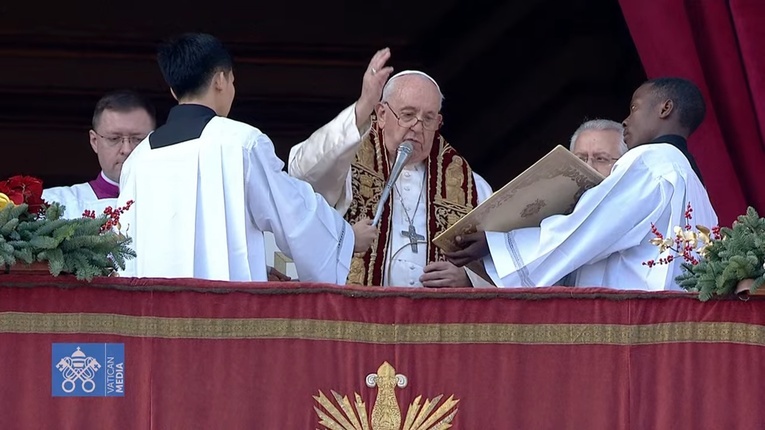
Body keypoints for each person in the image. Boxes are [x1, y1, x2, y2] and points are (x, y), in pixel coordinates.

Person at [116, 33, 377, 282]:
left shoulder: (138, 160)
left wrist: (256, 268)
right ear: (220, 80)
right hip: (221, 314)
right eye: (232, 80)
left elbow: (128, 251)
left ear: (174, 91)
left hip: (153, 317)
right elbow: (292, 212)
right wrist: (347, 237)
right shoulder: (241, 143)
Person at [445, 77, 717, 291]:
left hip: (632, 324)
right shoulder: (693, 181)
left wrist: (498, 245)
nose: (626, 119)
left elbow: (588, 229)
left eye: (634, 108)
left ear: (665, 108)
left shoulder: (649, 162)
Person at [288, 48, 493, 287]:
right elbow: (301, 173)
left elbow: (500, 260)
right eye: (408, 114)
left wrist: (469, 280)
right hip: (359, 317)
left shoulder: (469, 185)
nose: (417, 126)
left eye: (428, 118)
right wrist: (364, 104)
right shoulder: (346, 163)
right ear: (382, 114)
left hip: (436, 321)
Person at [42, 90, 156, 218]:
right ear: (94, 141)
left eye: (138, 139)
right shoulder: (56, 205)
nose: (127, 149)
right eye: (114, 138)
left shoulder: (174, 201)